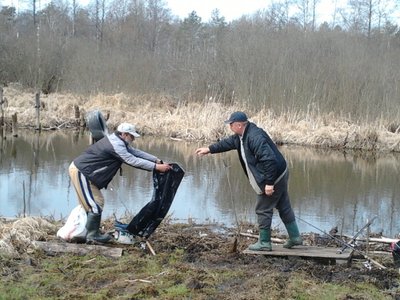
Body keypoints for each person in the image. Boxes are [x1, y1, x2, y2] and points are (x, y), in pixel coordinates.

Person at [195, 111, 302, 251]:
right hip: (280, 172)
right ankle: (295, 237)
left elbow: (269, 160)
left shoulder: (254, 137)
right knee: (283, 205)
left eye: (231, 124)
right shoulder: (242, 136)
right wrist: (209, 149)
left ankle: (264, 243)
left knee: (263, 208)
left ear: (239, 125)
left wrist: (269, 183)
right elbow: (228, 143)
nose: (230, 127)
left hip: (275, 175)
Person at [69, 122, 172, 244]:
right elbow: (131, 160)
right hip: (83, 172)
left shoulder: (119, 141)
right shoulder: (116, 145)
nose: (133, 139)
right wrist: (156, 167)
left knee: (94, 203)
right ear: (124, 134)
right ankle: (92, 235)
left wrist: (155, 159)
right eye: (131, 136)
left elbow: (135, 152)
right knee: (95, 205)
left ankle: (87, 231)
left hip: (87, 173)